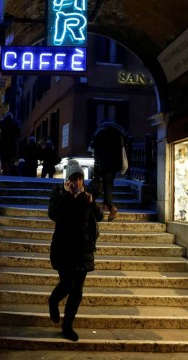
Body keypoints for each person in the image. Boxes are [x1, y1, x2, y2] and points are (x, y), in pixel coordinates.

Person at [47, 159, 102, 341]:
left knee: (77, 292)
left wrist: (91, 202)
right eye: (74, 178)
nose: (78, 182)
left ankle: (67, 325)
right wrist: (67, 195)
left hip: (84, 249)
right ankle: (53, 301)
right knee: (66, 285)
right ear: (68, 180)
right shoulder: (60, 193)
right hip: (64, 248)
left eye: (80, 178)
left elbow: (99, 216)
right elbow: (53, 214)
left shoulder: (87, 194)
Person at [88, 120, 128, 221]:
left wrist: (97, 165)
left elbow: (95, 150)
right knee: (109, 184)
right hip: (115, 164)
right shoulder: (117, 133)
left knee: (106, 186)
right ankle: (106, 204)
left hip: (104, 164)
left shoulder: (100, 133)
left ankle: (111, 207)